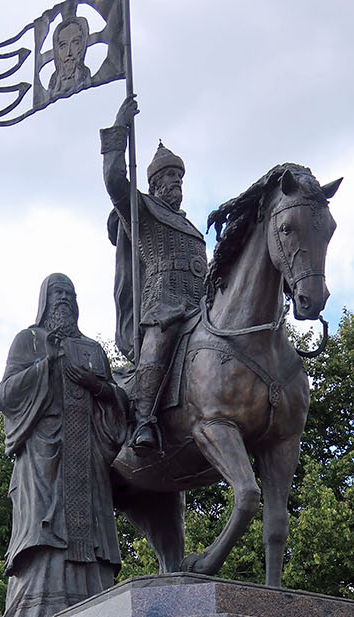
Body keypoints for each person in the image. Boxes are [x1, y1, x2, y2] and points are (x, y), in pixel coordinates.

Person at [0, 274, 128, 617]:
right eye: (58, 293)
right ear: (45, 301)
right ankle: (36, 609)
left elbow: (119, 401)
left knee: (93, 534)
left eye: (70, 294)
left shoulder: (92, 350)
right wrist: (48, 363)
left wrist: (96, 386)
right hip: (45, 454)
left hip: (88, 456)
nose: (65, 299)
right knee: (46, 528)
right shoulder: (29, 340)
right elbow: (6, 395)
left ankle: (94, 598)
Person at [101, 95, 208, 452]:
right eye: (169, 177)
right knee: (159, 346)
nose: (176, 182)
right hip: (164, 304)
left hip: (200, 305)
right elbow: (114, 180)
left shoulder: (191, 226)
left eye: (179, 176)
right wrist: (120, 128)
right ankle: (144, 420)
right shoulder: (143, 210)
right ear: (154, 184)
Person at [47, 14, 92, 99]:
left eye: (75, 43)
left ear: (83, 45)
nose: (69, 52)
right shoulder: (54, 82)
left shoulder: (84, 74)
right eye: (63, 46)